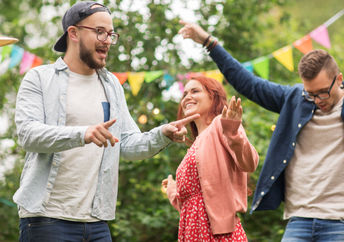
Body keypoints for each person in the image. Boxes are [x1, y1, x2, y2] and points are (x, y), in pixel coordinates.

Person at [13, 2, 199, 241]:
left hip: (96, 223)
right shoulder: (39, 78)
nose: (108, 40)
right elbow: (28, 135)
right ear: (74, 33)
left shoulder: (111, 84)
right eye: (99, 31)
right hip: (46, 219)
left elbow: (126, 144)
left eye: (111, 34)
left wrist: (162, 133)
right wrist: (83, 134)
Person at [178, 20, 344, 241]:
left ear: (339, 79)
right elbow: (250, 84)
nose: (317, 100)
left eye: (323, 93)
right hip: (299, 220)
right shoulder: (295, 99)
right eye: (310, 93)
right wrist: (208, 42)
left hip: (339, 221)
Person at [162, 76, 259, 241]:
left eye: (195, 91)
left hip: (218, 234)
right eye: (184, 94)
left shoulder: (222, 124)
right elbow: (191, 204)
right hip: (191, 232)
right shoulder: (194, 146)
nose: (187, 97)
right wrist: (173, 191)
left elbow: (249, 163)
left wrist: (233, 132)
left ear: (213, 97)